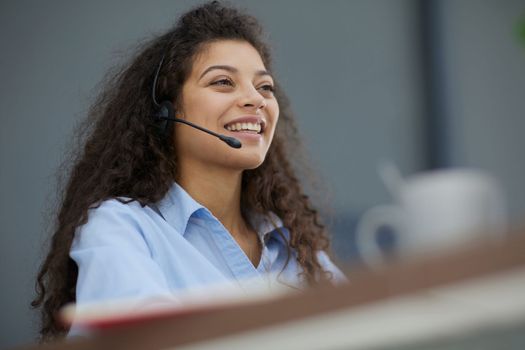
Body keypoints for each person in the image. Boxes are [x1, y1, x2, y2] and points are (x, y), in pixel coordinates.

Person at [32, 1, 346, 341]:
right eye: (224, 82)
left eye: (264, 87)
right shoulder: (119, 229)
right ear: (166, 112)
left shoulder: (294, 245)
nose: (255, 99)